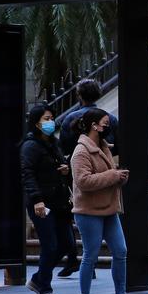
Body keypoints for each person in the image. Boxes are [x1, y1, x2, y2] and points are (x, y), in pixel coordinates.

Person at [70, 107, 142, 294]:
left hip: (109, 209)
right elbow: (83, 182)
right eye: (104, 123)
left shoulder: (102, 146)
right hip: (88, 211)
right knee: (90, 256)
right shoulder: (81, 151)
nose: (107, 126)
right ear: (94, 125)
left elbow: (105, 176)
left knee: (120, 251)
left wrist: (119, 176)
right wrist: (113, 175)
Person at [55, 78, 117, 277]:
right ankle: (87, 261)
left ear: (79, 96)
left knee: (82, 213)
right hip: (104, 172)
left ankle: (85, 262)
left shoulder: (71, 119)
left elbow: (63, 146)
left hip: (78, 171)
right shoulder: (110, 119)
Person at [20, 103, 70, 294]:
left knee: (66, 244)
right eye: (46, 119)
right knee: (50, 245)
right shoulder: (30, 146)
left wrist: (65, 170)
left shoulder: (53, 143)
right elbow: (27, 174)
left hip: (58, 201)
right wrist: (37, 200)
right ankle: (45, 288)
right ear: (36, 122)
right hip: (41, 203)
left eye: (51, 118)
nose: (50, 122)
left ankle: (38, 278)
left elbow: (57, 166)